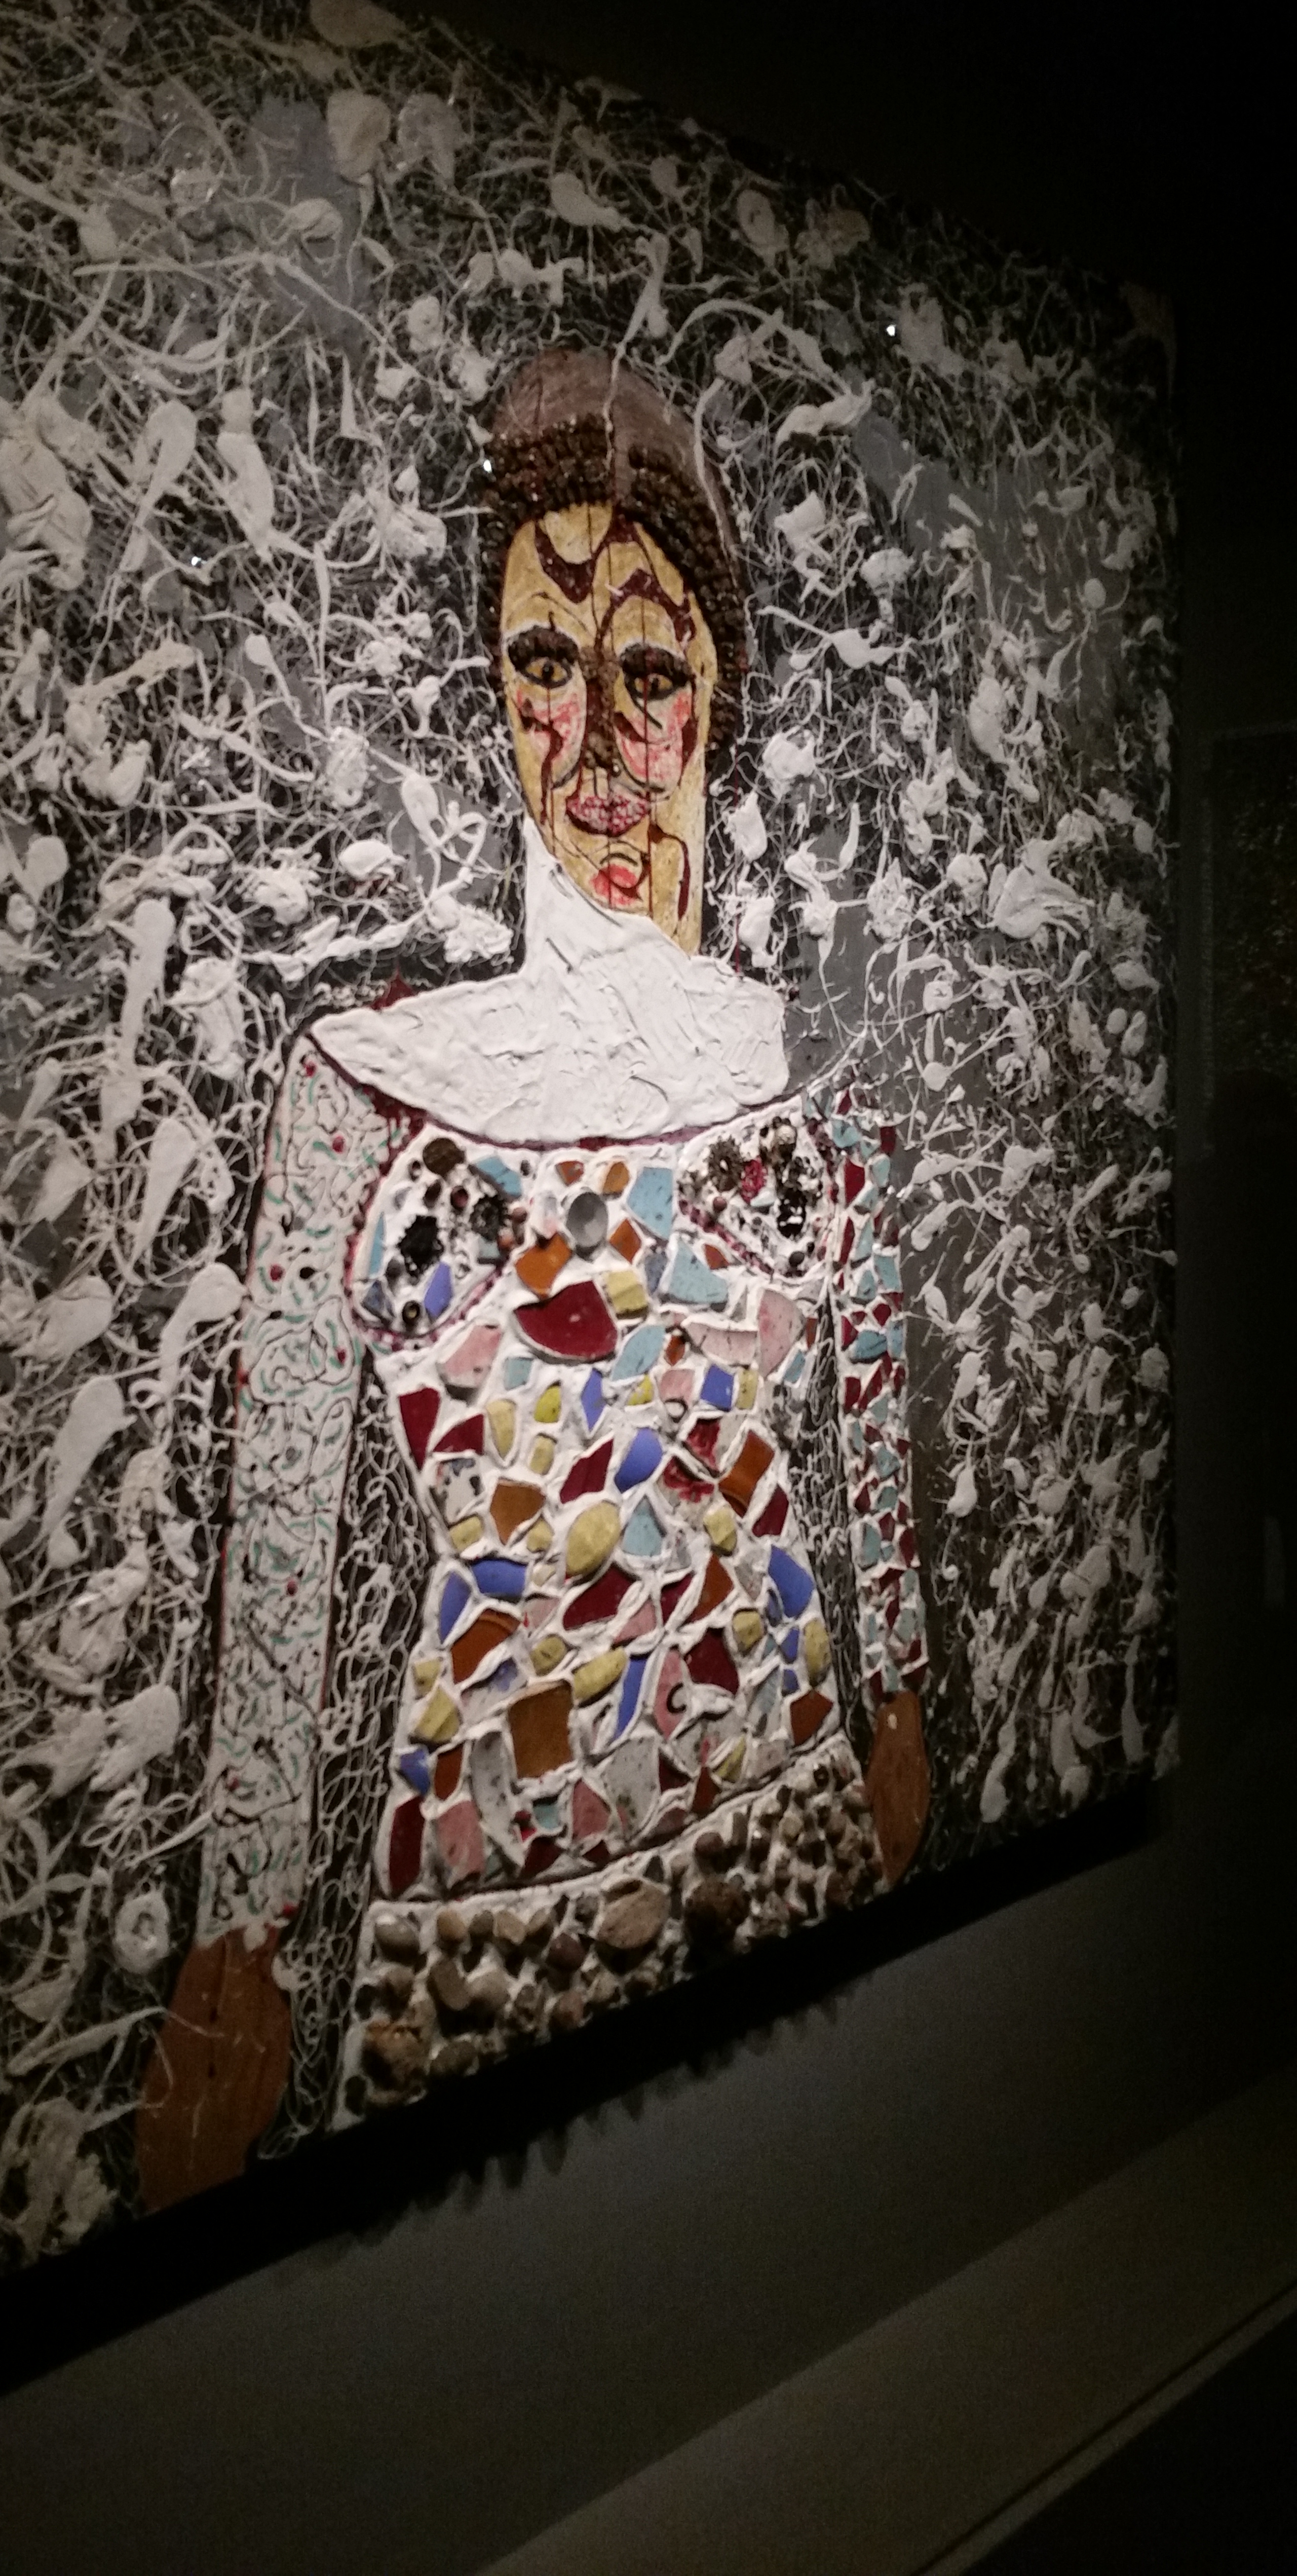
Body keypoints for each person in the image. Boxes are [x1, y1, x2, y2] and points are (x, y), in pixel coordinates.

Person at [136, 349, 930, 2208]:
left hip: (796, 1816)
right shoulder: (369, 1089)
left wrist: (897, 1693)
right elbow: (283, 1540)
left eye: (648, 674)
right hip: (483, 1919)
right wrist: (241, 1935)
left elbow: (871, 1421)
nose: (592, 754)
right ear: (491, 693)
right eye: (543, 667)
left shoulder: (808, 1070)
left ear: (721, 691)